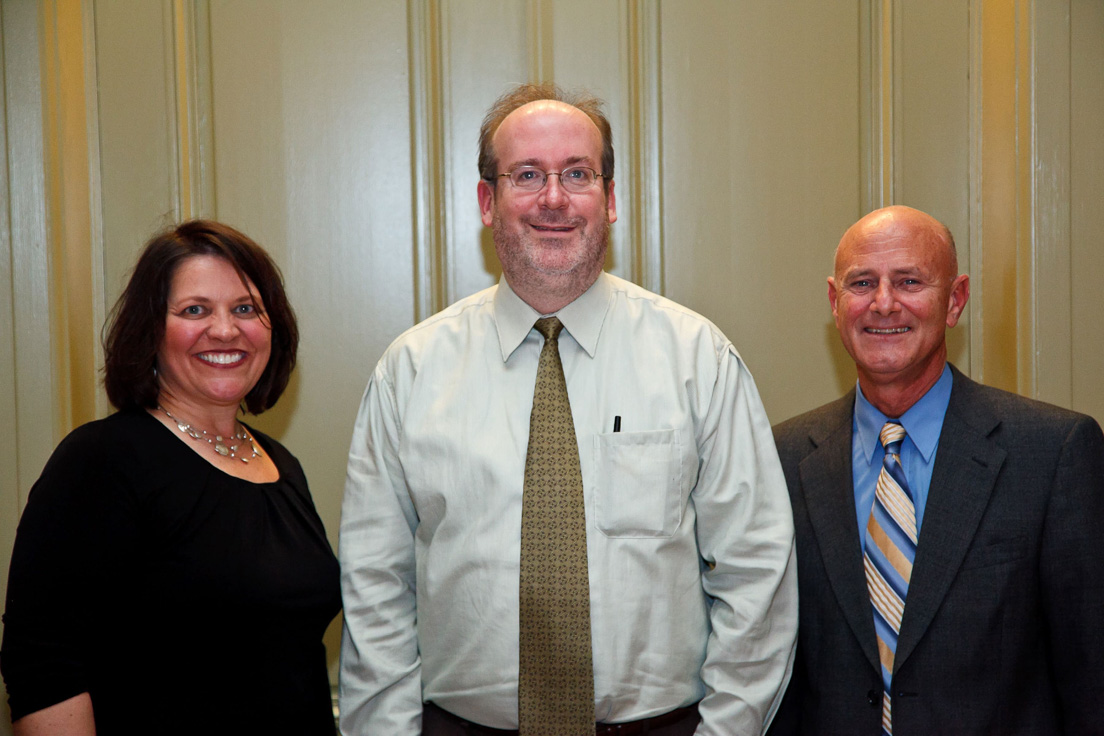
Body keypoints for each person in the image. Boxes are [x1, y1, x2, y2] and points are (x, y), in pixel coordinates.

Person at [339, 82, 797, 736]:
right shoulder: (410, 372)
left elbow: (757, 577)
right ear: (485, 201)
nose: (553, 199)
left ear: (610, 200)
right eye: (527, 175)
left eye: (577, 174)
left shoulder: (698, 360)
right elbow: (374, 590)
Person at [769, 205, 1104, 735]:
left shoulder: (1052, 452)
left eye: (909, 281)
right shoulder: (782, 458)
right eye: (862, 283)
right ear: (835, 303)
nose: (883, 303)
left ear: (955, 300)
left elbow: (1091, 680)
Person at [1, 220, 341, 735]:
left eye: (245, 309)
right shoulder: (101, 461)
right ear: (150, 331)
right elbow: (44, 665)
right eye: (194, 310)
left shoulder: (279, 464)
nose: (225, 330)